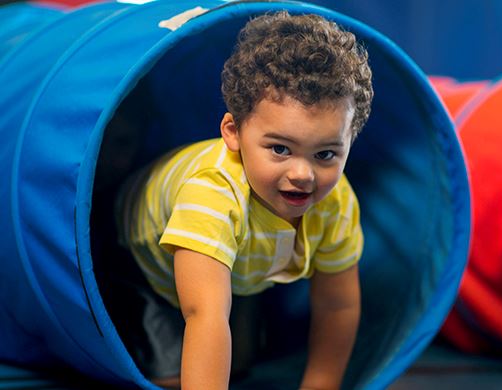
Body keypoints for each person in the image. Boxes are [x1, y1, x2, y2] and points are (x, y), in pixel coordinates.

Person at [110, 10, 373, 390]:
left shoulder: (336, 200)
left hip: (241, 265)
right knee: (174, 374)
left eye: (326, 154)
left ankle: (245, 301)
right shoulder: (212, 194)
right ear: (233, 132)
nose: (303, 174)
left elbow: (338, 304)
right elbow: (203, 316)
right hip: (140, 262)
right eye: (280, 148)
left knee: (242, 359)